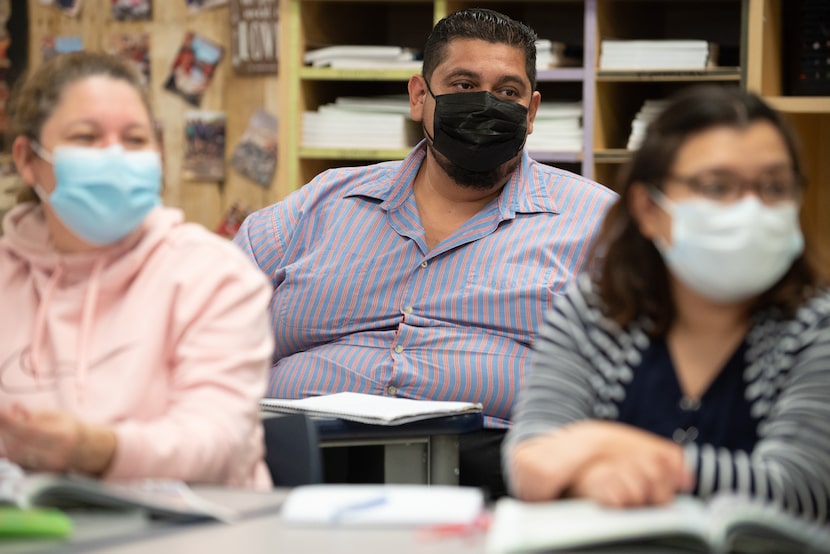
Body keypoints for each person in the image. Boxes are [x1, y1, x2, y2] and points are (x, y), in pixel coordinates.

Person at [234, 8, 616, 497]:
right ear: (419, 96)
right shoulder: (322, 203)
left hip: (491, 474)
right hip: (291, 465)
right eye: (462, 84)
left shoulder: (596, 224)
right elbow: (202, 314)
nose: (485, 104)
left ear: (532, 110)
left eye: (507, 92)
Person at [504, 85, 830, 521]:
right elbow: (532, 461)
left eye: (774, 187)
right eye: (717, 186)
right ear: (649, 208)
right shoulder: (594, 310)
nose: (751, 208)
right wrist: (592, 480)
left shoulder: (815, 325)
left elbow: (800, 489)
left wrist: (610, 446)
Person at [0, 52, 273, 488]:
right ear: (28, 160)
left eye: (134, 139)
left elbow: (219, 443)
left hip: (190, 527)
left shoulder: (214, 275)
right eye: (86, 137)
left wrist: (99, 451)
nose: (114, 156)